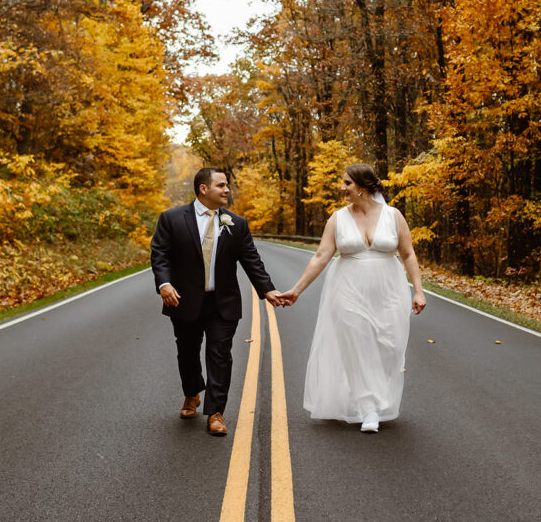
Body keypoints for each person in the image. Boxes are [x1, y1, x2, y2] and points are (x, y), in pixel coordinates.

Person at [280, 163, 426, 433]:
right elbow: (321, 256)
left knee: (390, 346)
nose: (342, 188)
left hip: (390, 290)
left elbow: (408, 254)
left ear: (363, 186)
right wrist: (297, 289)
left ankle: (375, 398)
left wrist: (418, 289)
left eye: (347, 183)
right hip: (347, 290)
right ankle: (369, 407)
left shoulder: (393, 216)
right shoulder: (337, 218)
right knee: (358, 346)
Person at [151, 168, 284, 437]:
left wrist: (267, 290)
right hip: (183, 301)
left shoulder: (237, 223)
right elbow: (160, 254)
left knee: (220, 355)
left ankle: (215, 412)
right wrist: (165, 284)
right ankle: (191, 394)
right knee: (187, 354)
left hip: (222, 303)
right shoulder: (172, 219)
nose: (227, 190)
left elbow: (252, 260)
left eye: (227, 186)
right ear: (203, 188)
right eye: (221, 185)